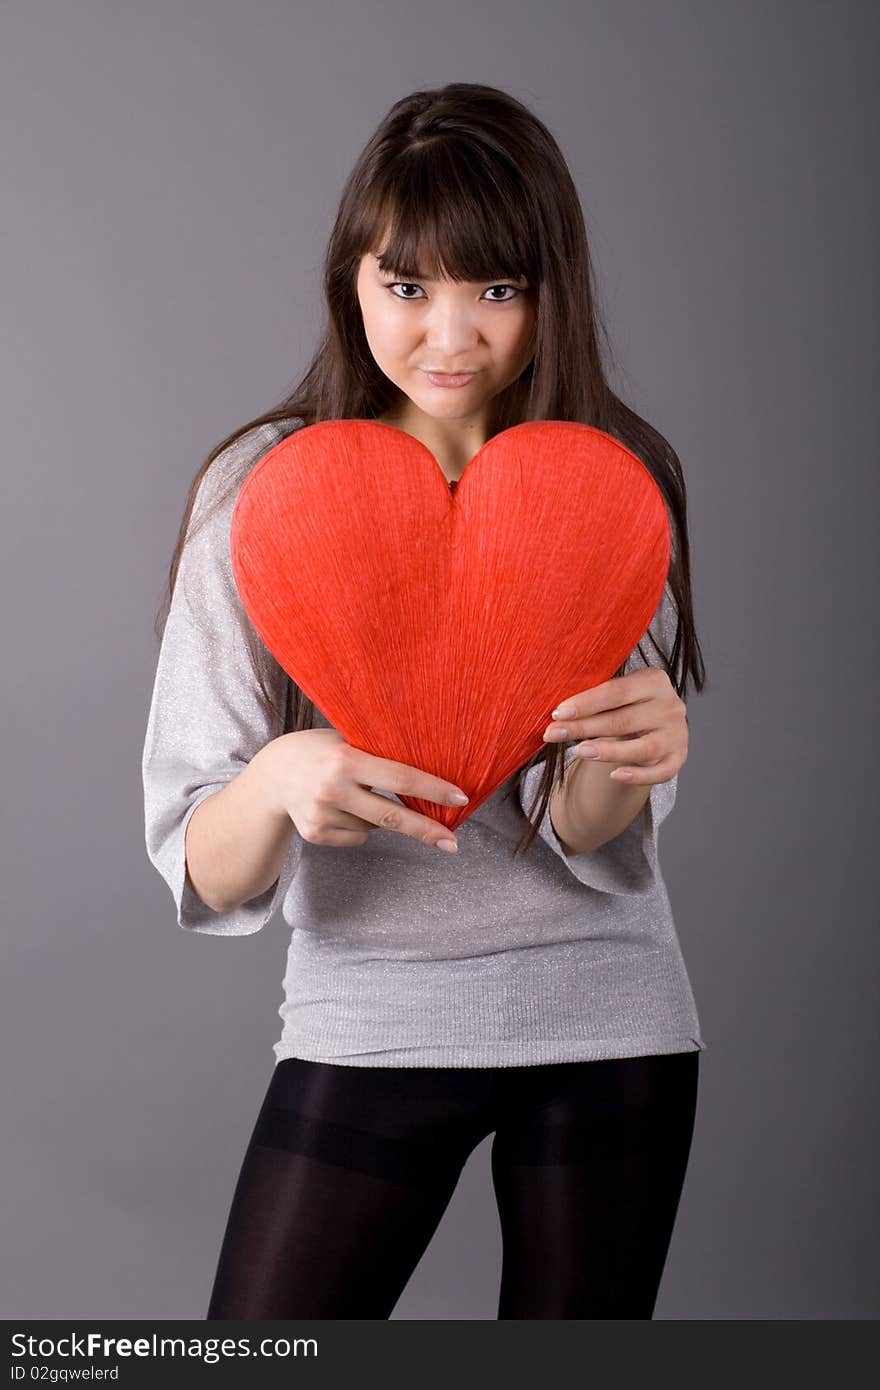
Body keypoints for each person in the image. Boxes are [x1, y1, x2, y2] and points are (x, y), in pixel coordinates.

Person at [141, 82, 707, 1320]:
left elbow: (582, 828)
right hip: (371, 1021)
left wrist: (641, 744)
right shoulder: (265, 490)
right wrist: (281, 780)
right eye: (408, 287)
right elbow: (206, 862)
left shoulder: (610, 477)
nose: (450, 335)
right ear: (352, 281)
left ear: (549, 290)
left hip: (609, 1021)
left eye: (495, 289)